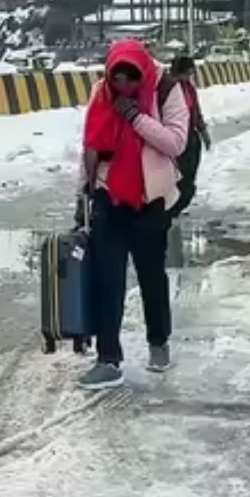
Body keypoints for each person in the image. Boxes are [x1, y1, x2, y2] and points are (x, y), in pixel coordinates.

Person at [78, 40, 189, 390]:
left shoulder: (167, 88)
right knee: (106, 279)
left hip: (148, 199)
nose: (124, 90)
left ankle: (159, 342)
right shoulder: (102, 91)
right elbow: (91, 144)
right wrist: (82, 196)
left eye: (131, 83)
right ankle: (108, 358)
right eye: (117, 83)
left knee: (150, 276)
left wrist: (136, 117)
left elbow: (176, 143)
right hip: (108, 196)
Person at [166, 55, 211, 220]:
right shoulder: (167, 88)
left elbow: (196, 111)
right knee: (178, 177)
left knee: (189, 177)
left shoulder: (188, 87)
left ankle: (176, 207)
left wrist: (203, 132)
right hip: (175, 138)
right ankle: (169, 209)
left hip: (191, 137)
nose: (191, 75)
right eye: (189, 71)